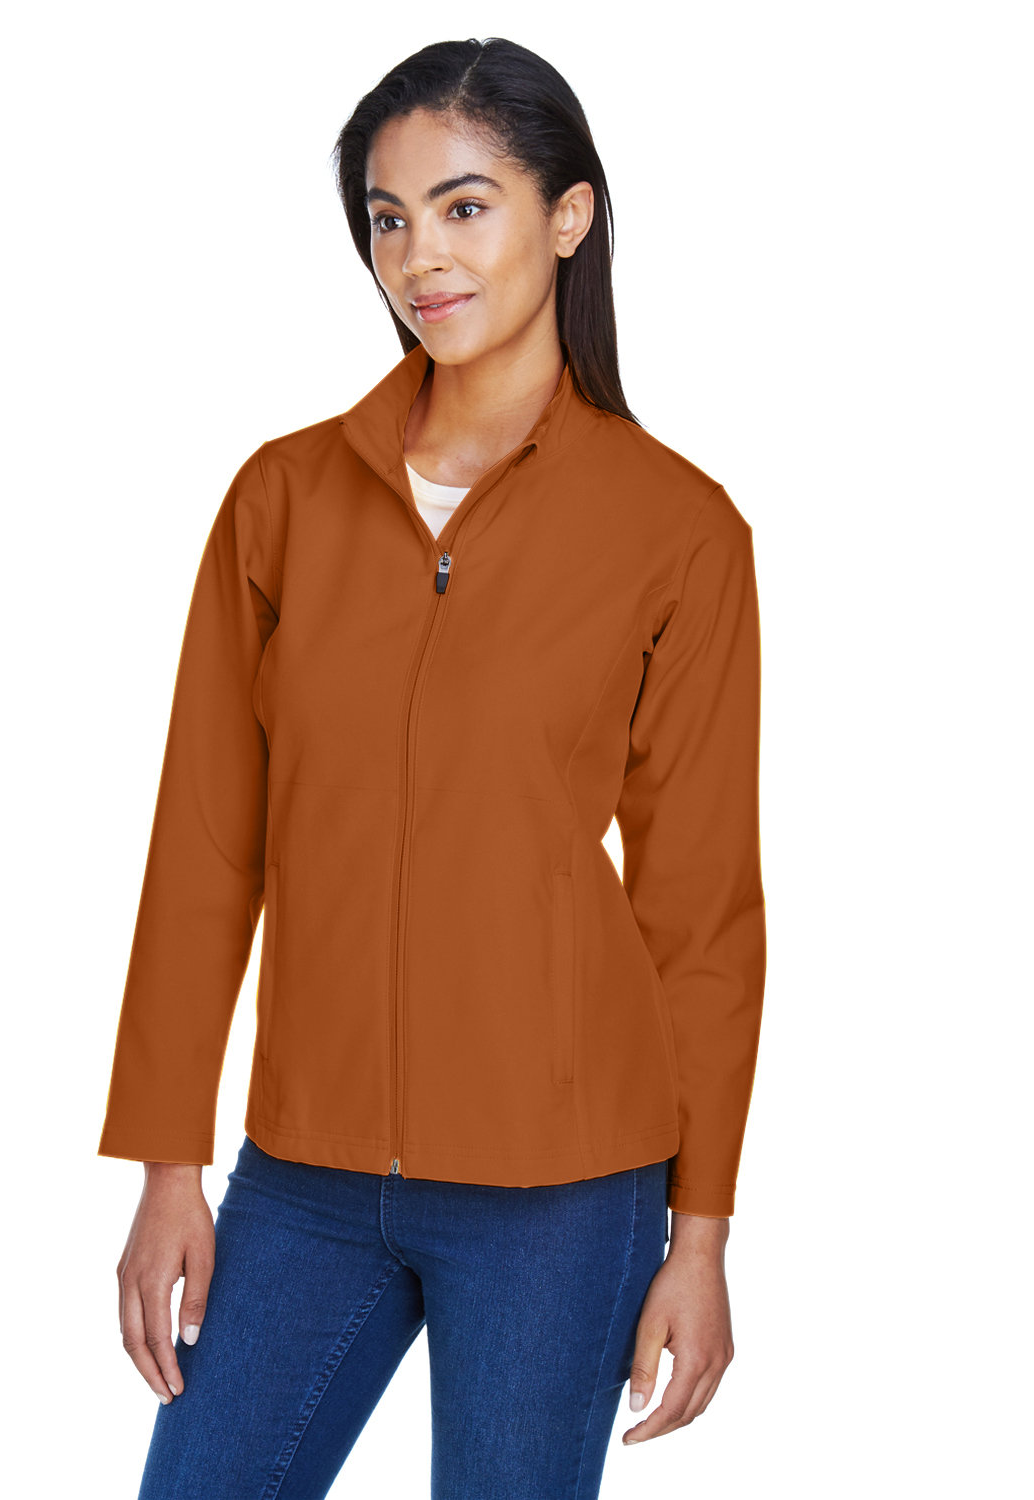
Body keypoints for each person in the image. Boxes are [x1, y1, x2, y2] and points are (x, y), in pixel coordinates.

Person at [98, 35, 766, 1500]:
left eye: (466, 206)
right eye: (389, 218)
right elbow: (206, 842)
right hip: (306, 1171)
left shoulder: (678, 530)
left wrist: (701, 1232)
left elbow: (702, 911)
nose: (421, 256)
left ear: (569, 217)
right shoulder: (283, 498)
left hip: (562, 1189)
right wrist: (166, 1164)